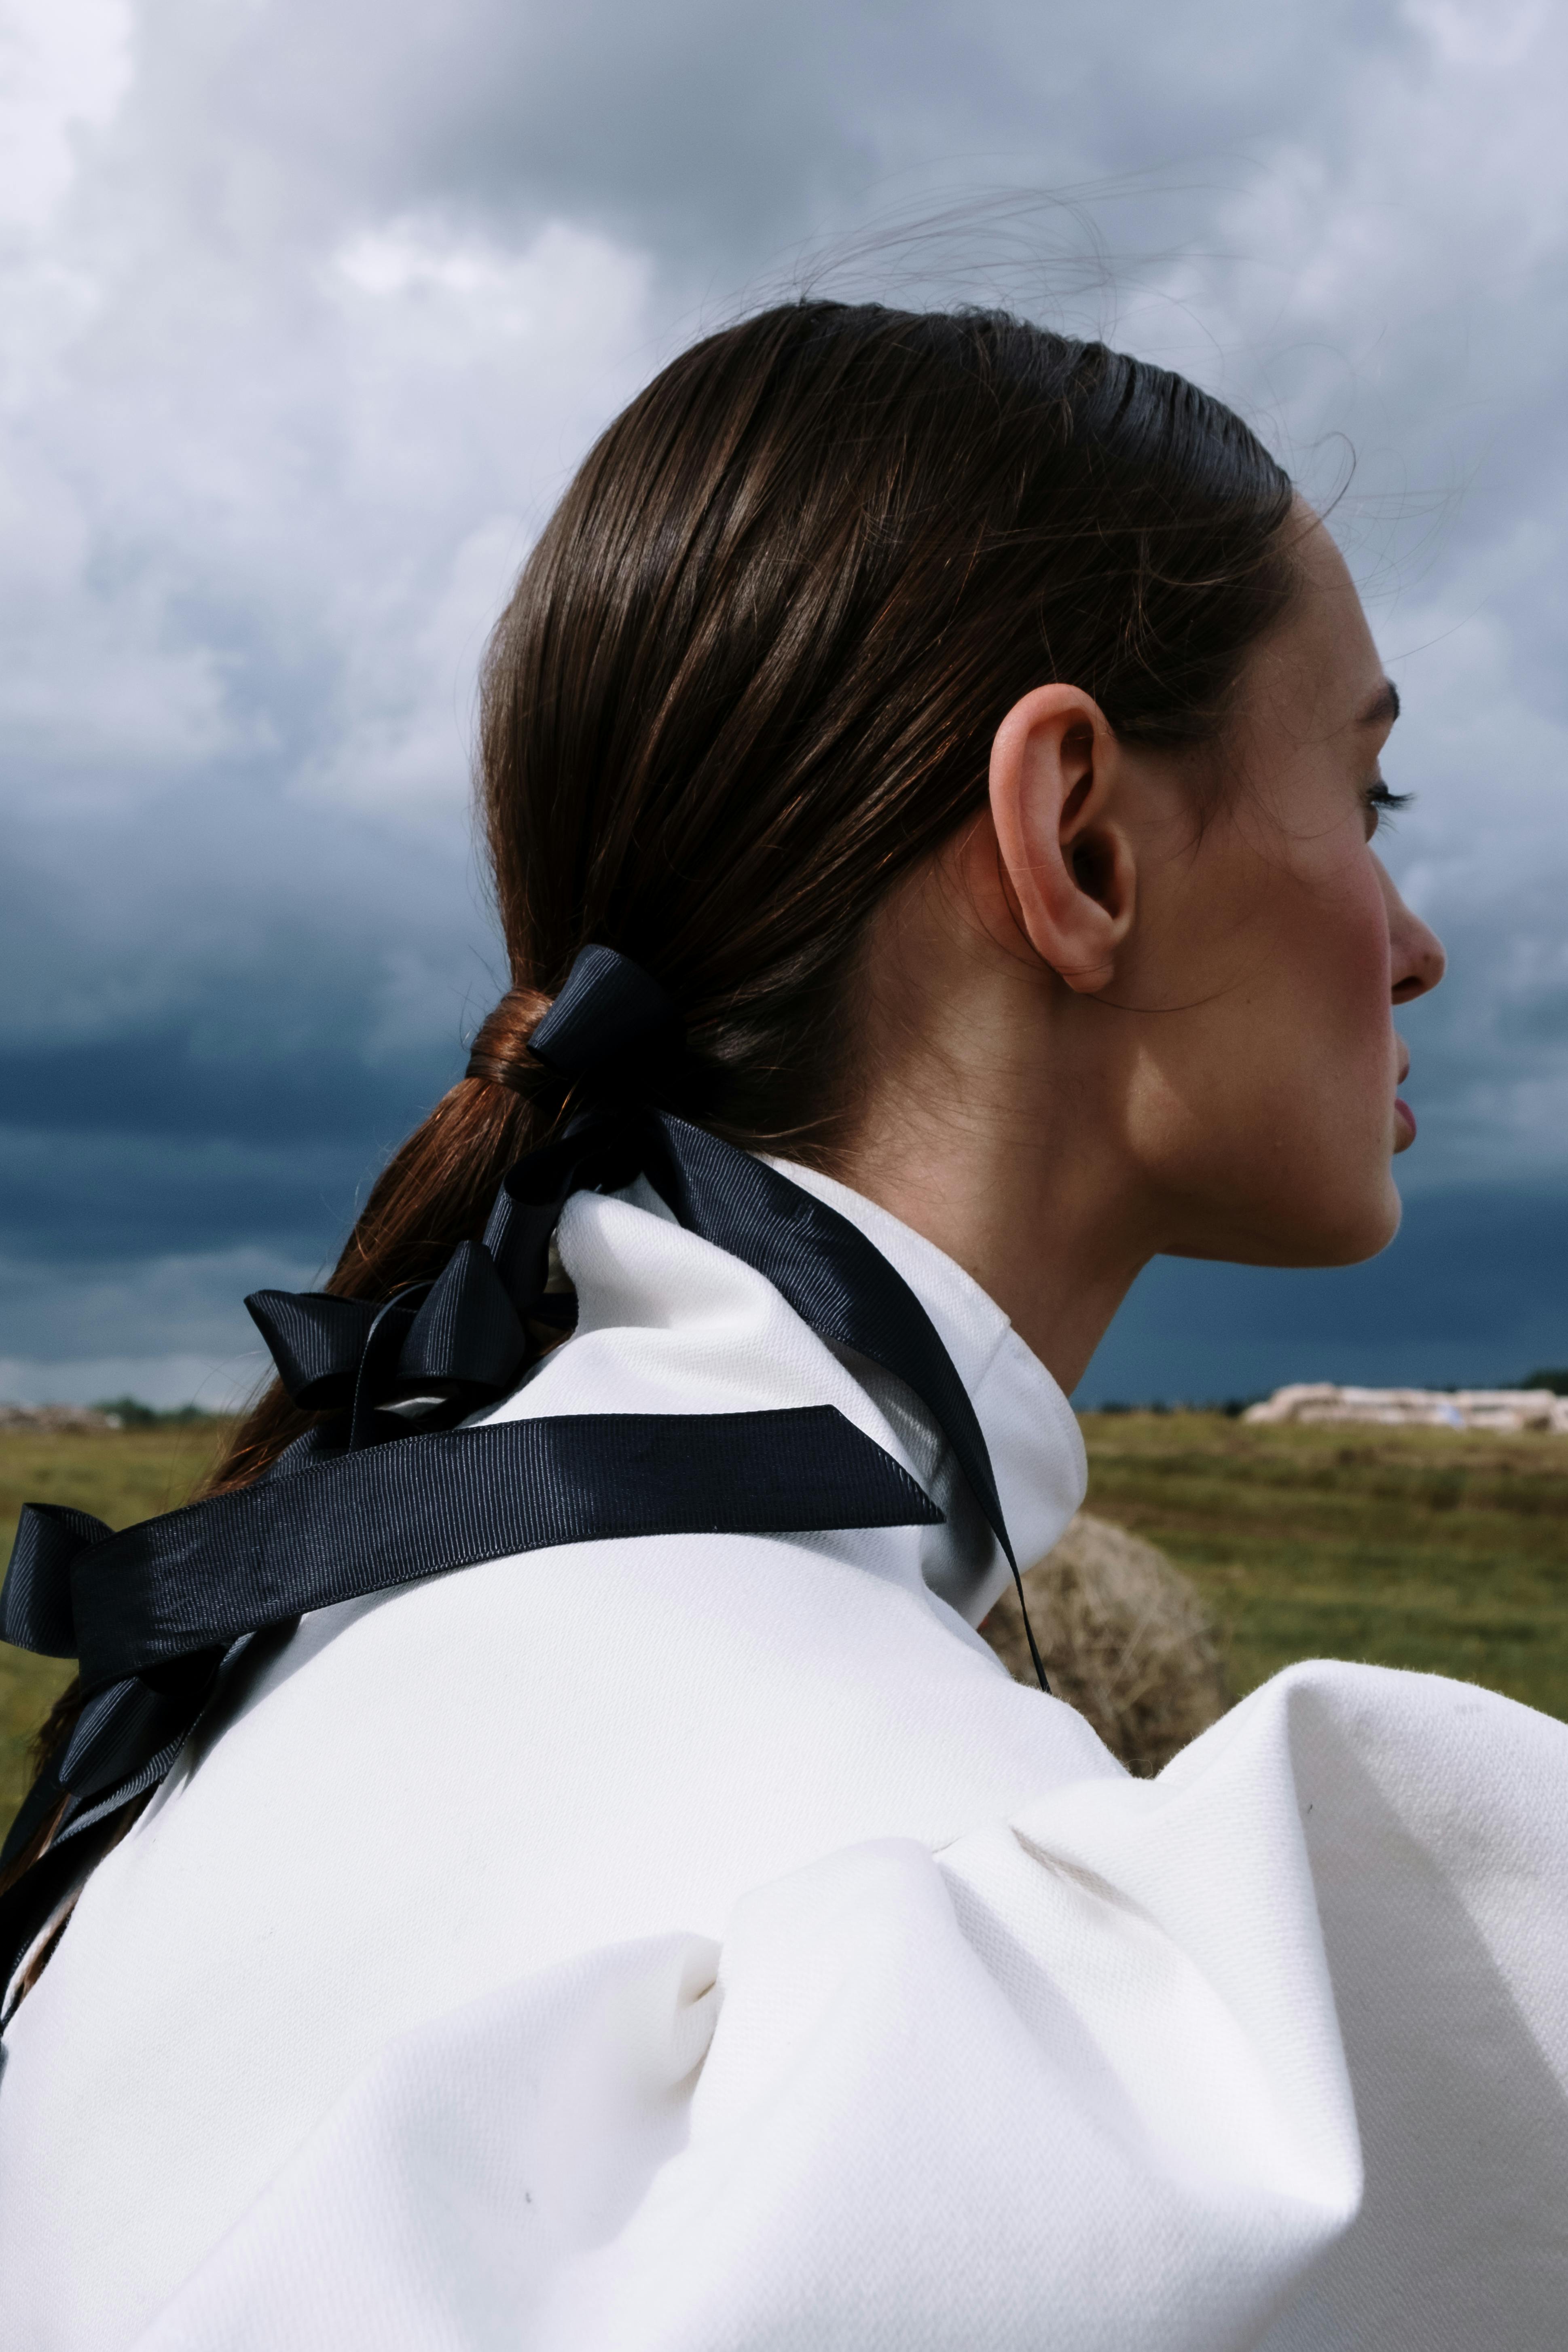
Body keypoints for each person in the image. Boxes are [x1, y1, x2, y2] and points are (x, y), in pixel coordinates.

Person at [0, 301, 1563, 2352]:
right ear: (1078, 838)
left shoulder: (329, 1633)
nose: (1419, 942)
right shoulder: (1005, 1976)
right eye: (1373, 797)